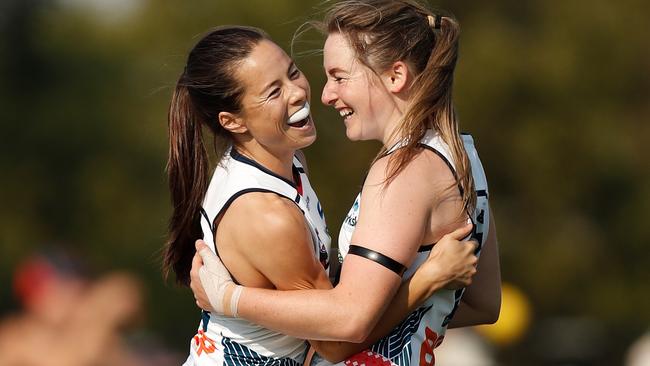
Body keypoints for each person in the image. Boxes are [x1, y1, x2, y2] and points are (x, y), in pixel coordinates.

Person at [189, 1, 501, 365]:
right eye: (273, 90)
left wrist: (227, 299)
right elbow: (482, 303)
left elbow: (344, 328)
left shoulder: (398, 172)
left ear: (395, 77)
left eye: (339, 77)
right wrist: (424, 286)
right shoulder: (465, 155)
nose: (322, 94)